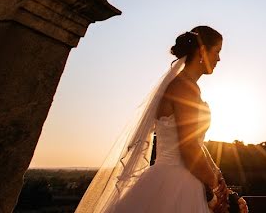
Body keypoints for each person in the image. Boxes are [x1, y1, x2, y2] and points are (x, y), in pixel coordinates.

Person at [76, 26, 247, 213]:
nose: (219, 59)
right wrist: (215, 191)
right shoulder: (184, 88)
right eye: (217, 51)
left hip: (179, 178)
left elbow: (196, 142)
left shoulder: (187, 86)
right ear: (202, 51)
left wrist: (217, 176)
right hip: (178, 182)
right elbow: (188, 147)